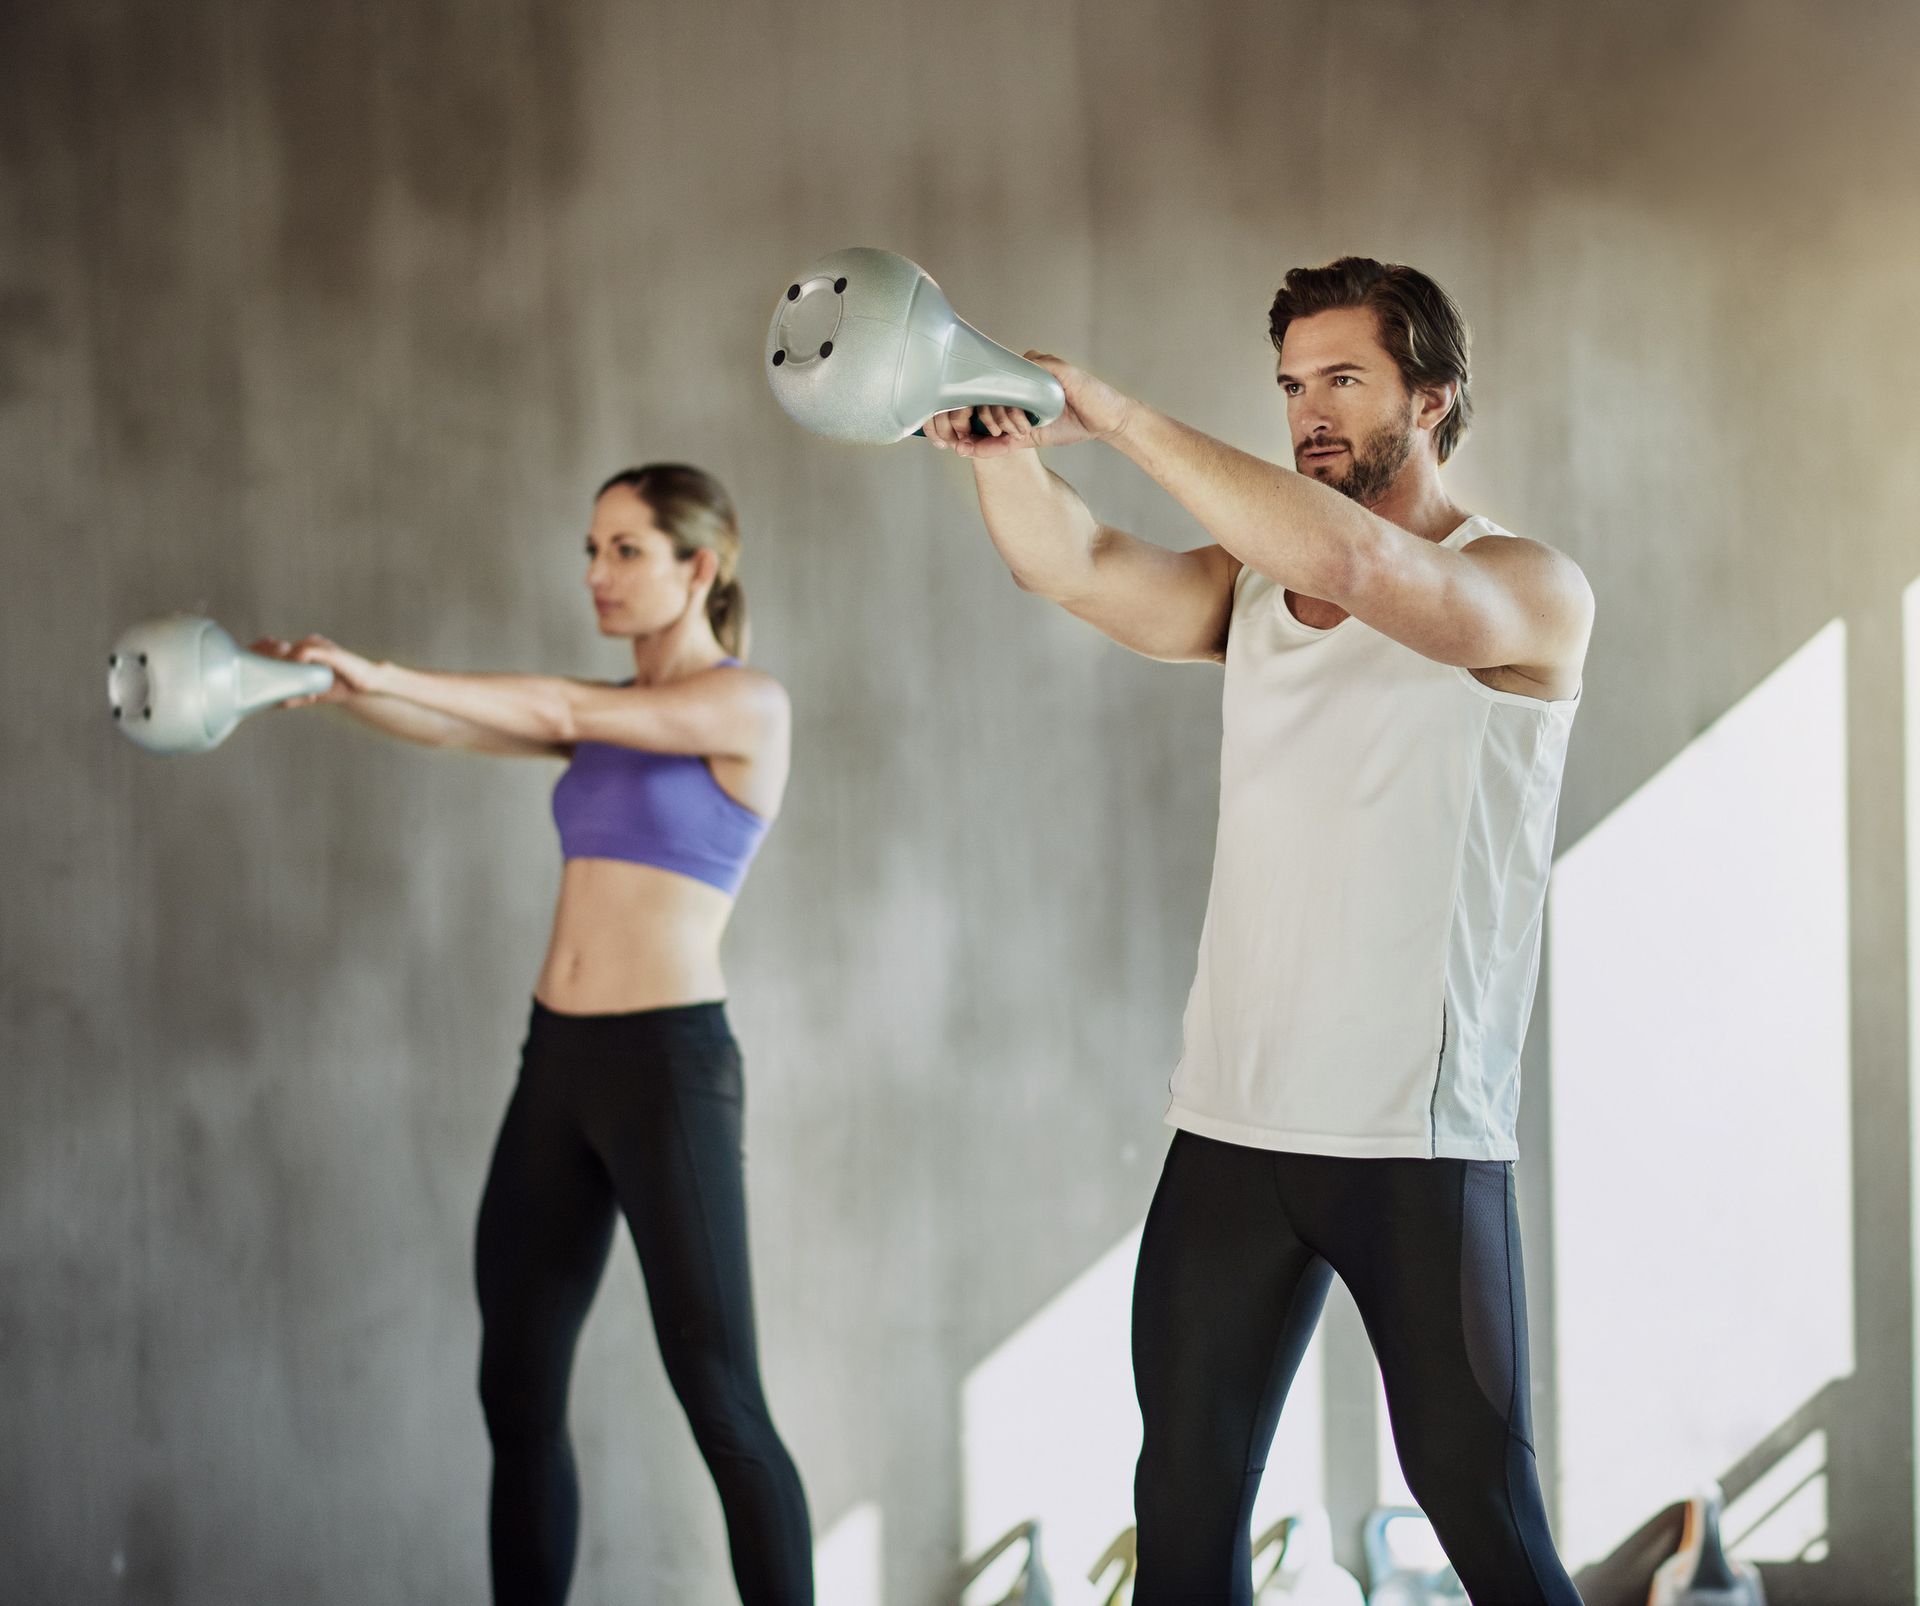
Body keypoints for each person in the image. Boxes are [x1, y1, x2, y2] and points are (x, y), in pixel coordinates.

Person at [925, 257, 1592, 1606]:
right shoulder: (1253, 585)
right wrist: (997, 447)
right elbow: (1079, 563)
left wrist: (1106, 410)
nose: (1309, 411)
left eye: (1344, 379)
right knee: (1180, 1507)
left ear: (1437, 393)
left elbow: (1356, 556)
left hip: (1413, 1138)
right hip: (1232, 1125)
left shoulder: (1527, 588)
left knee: (1491, 1523)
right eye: (1292, 385)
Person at [259, 463, 812, 1606]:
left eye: (625, 550)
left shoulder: (745, 706)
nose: (595, 574)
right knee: (514, 1386)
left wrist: (381, 667)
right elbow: (462, 729)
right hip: (555, 1065)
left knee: (722, 1399)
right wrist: (327, 685)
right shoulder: (612, 713)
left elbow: (558, 711)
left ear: (697, 566)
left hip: (667, 1069)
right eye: (590, 548)